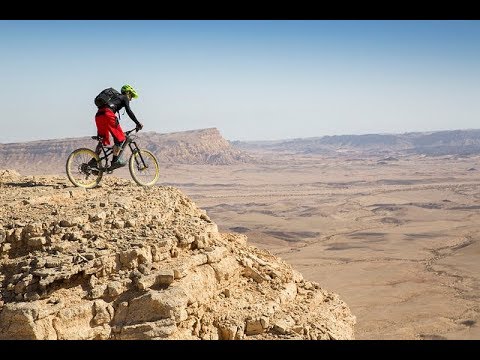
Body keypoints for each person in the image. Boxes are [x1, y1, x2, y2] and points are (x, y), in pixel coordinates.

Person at [89, 84, 144, 170]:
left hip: (99, 115)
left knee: (102, 140)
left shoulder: (113, 99)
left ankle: (93, 162)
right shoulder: (124, 97)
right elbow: (129, 111)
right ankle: (115, 161)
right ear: (128, 93)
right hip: (108, 115)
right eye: (131, 96)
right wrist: (137, 123)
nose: (131, 98)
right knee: (120, 139)